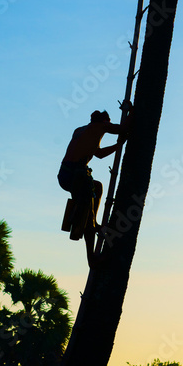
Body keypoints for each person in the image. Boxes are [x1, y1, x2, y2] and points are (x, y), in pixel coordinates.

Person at [58, 103, 133, 267]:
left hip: (65, 175)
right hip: (76, 175)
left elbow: (98, 154)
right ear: (105, 121)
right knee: (87, 217)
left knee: (97, 187)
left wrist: (118, 146)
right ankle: (92, 258)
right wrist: (132, 111)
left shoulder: (81, 130)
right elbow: (123, 129)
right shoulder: (100, 126)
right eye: (108, 123)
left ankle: (94, 221)